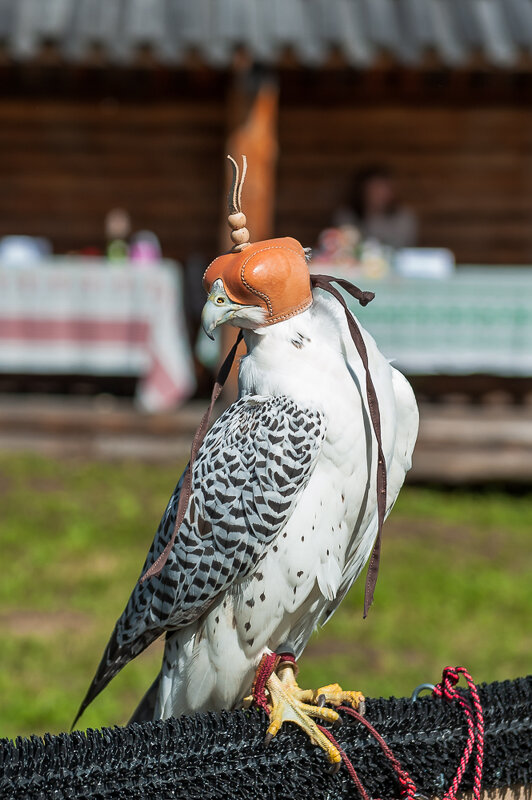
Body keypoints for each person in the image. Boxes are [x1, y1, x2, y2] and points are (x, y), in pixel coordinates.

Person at [334, 165, 418, 249]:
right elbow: (345, 247)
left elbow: (403, 247)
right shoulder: (347, 216)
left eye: (382, 189)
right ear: (361, 191)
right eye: (373, 189)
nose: (378, 194)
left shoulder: (404, 218)